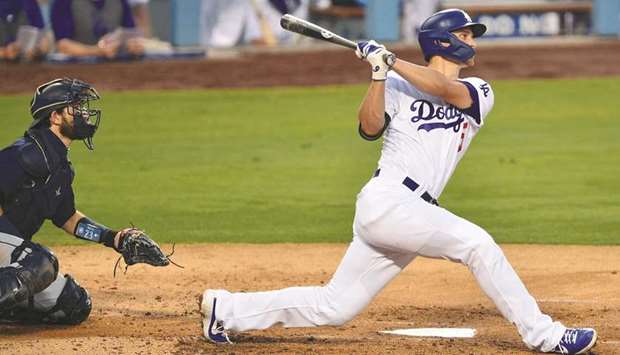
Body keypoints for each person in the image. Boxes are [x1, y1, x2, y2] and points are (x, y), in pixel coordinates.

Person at [198, 9, 598, 355]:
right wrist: (377, 75)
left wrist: (391, 61)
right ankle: (545, 336)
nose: (472, 41)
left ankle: (226, 311)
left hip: (413, 211)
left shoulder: (479, 90)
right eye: (464, 35)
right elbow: (369, 127)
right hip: (387, 200)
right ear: (442, 41)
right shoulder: (394, 85)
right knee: (478, 245)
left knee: (334, 307)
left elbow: (443, 88)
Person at [0, 78, 170, 325]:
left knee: (72, 303)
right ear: (55, 117)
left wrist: (114, 238)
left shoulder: (58, 166)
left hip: (7, 250)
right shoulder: (26, 153)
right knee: (40, 261)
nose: (83, 113)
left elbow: (67, 218)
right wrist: (16, 244)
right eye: (75, 107)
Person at [50, 0, 144, 59]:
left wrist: (133, 45)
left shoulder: (120, 2)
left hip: (113, 64)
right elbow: (63, 45)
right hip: (74, 67)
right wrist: (97, 51)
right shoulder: (63, 2)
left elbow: (131, 34)